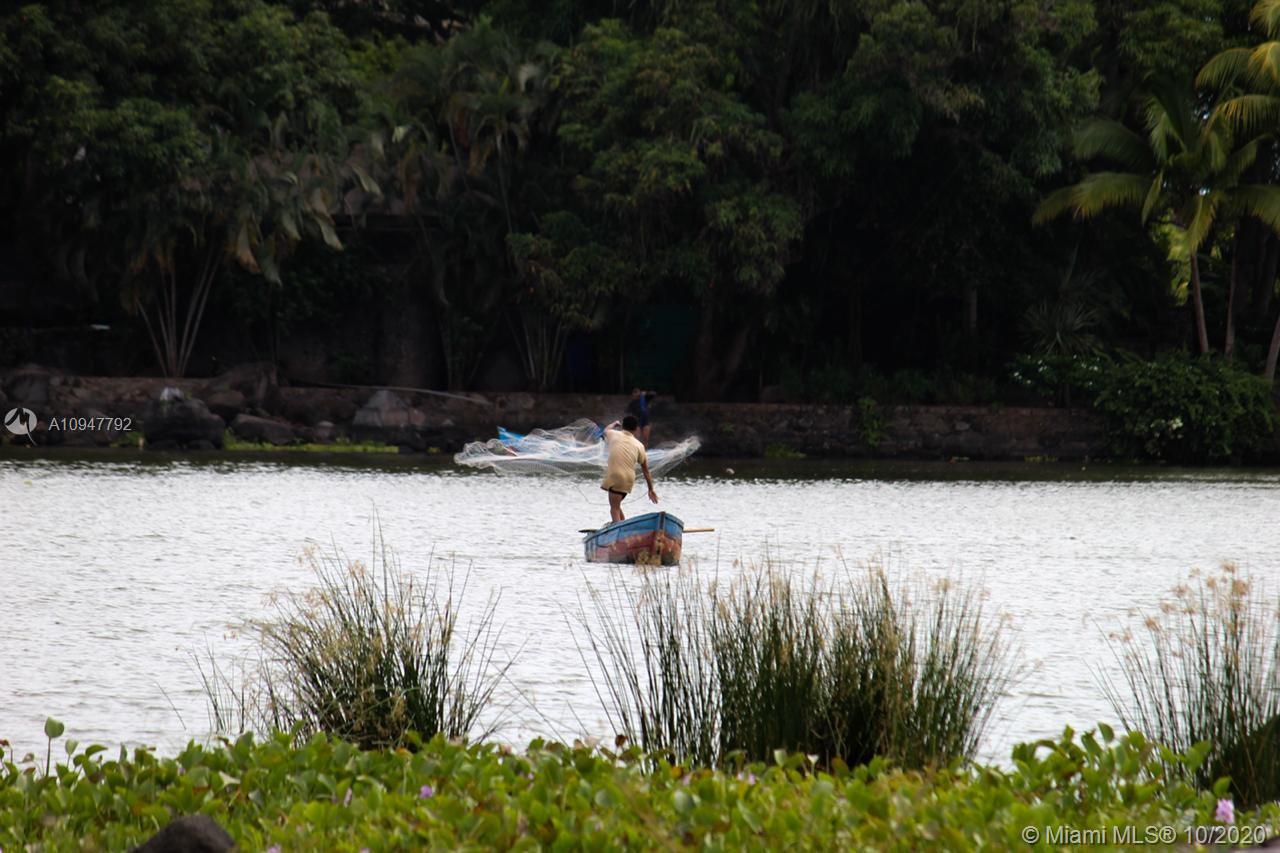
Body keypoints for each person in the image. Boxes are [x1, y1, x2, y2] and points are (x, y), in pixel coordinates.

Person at [601, 415, 658, 523]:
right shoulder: (640, 445)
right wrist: (651, 489)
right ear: (636, 429)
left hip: (616, 476)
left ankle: (617, 529)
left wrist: (614, 423)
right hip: (628, 480)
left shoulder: (613, 434)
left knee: (614, 509)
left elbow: (606, 430)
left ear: (622, 426)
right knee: (616, 504)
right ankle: (622, 524)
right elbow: (645, 471)